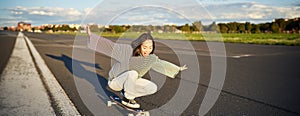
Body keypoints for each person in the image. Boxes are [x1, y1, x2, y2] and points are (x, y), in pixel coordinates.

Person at [86, 26, 187, 108]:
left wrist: (177, 69)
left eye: (150, 48)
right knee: (133, 73)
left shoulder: (151, 58)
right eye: (145, 47)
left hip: (129, 82)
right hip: (115, 81)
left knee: (152, 87)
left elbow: (162, 64)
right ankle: (128, 98)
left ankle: (127, 94)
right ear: (139, 46)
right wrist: (92, 36)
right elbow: (110, 46)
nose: (147, 50)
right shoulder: (127, 51)